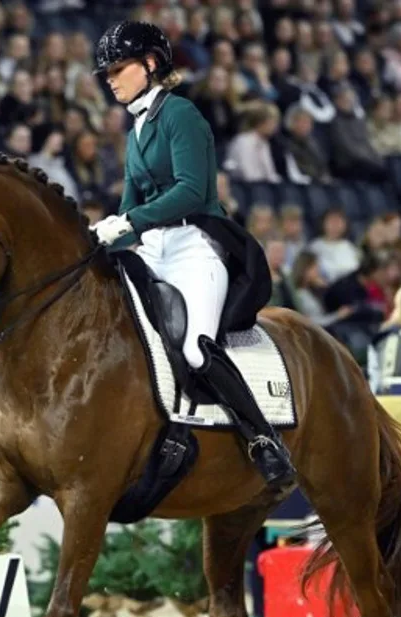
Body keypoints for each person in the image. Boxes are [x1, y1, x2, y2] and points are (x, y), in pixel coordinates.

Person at [88, 20, 292, 487]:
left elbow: (191, 190)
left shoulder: (180, 115)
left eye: (118, 69)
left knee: (197, 349)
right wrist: (96, 241)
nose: (110, 80)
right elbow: (127, 208)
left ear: (151, 64)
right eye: (107, 73)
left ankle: (263, 440)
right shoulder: (136, 131)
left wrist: (131, 222)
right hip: (153, 248)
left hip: (195, 245)